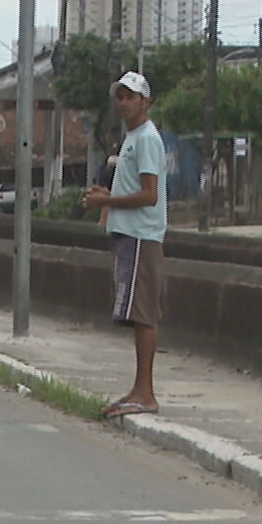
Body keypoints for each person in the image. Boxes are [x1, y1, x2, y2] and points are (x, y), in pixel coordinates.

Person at [84, 72, 167, 420]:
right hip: (128, 235)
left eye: (129, 96)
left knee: (144, 314)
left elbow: (150, 195)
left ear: (144, 101)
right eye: (119, 96)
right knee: (136, 314)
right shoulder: (132, 138)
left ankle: (146, 393)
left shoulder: (147, 138)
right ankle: (138, 389)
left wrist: (109, 200)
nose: (123, 102)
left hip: (141, 235)